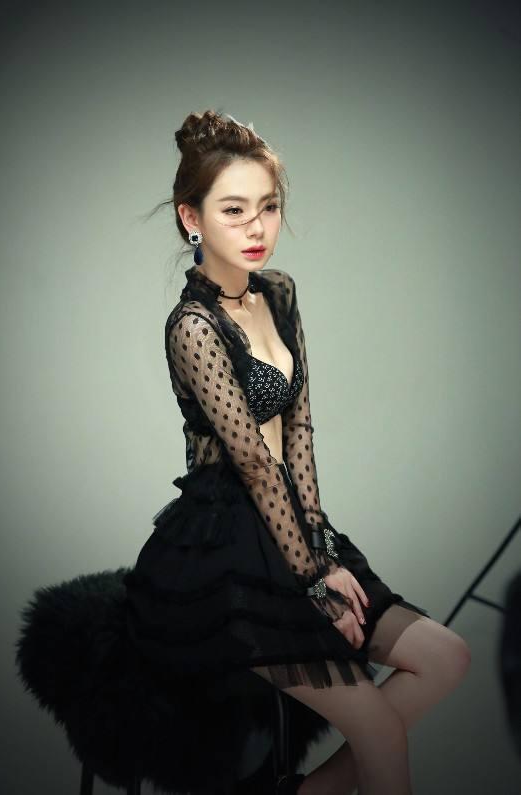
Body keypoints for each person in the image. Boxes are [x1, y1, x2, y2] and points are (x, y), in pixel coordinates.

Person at [124, 109, 472, 795]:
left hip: (291, 526)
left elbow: (298, 432)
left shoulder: (279, 294)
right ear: (191, 218)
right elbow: (254, 464)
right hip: (223, 553)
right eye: (234, 210)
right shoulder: (192, 328)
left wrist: (321, 544)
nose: (256, 227)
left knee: (446, 658)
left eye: (269, 206)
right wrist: (313, 576)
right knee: (378, 729)